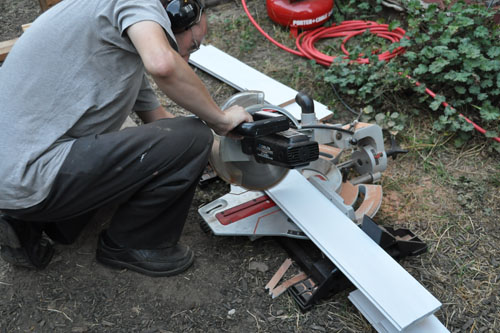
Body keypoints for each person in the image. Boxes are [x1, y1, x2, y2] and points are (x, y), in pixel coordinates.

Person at [0, 0, 252, 277]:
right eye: (192, 46)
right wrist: (220, 120)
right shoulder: (136, 1)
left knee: (190, 139)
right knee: (194, 134)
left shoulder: (110, 39)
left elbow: (157, 118)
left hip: (14, 169)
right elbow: (163, 65)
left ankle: (32, 223)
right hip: (30, 173)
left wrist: (217, 151)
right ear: (172, 19)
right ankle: (133, 243)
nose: (188, 60)